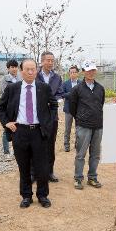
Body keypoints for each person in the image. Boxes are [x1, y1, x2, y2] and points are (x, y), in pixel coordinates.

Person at [0, 58, 58, 208]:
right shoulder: (13, 89)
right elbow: (0, 107)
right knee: (23, 166)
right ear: (21, 71)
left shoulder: (44, 88)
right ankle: (26, 196)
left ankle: (42, 195)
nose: (30, 72)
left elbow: (54, 105)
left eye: (33, 69)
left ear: (36, 70)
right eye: (27, 69)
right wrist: (6, 123)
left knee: (42, 167)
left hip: (39, 132)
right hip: (20, 132)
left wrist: (48, 124)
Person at [70, 61, 105, 190]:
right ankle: (78, 178)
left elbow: (100, 105)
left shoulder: (100, 88)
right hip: (83, 126)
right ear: (83, 72)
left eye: (93, 70)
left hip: (98, 125)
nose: (91, 73)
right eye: (89, 70)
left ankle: (92, 177)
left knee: (95, 154)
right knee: (81, 154)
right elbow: (73, 107)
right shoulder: (77, 89)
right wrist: (80, 119)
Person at [36, 51, 64, 182]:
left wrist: (54, 101)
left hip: (52, 116)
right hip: (36, 116)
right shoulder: (35, 76)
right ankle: (34, 173)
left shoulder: (57, 78)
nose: (50, 63)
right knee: (35, 144)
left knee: (50, 144)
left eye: (52, 60)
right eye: (48, 60)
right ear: (42, 61)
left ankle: (49, 171)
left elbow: (60, 93)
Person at [0, 59, 22, 159]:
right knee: (7, 128)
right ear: (8, 68)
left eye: (15, 67)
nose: (14, 69)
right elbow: (4, 93)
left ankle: (15, 150)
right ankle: (6, 151)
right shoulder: (5, 79)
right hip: (8, 107)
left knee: (17, 127)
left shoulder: (20, 78)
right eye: (12, 67)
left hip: (18, 107)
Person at [62, 65, 81, 152]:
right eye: (71, 72)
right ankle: (66, 145)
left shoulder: (81, 83)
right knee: (67, 129)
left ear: (78, 73)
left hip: (79, 109)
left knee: (79, 128)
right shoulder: (65, 83)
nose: (73, 74)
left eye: (74, 72)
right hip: (68, 109)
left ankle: (77, 145)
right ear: (69, 74)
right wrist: (72, 94)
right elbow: (62, 94)